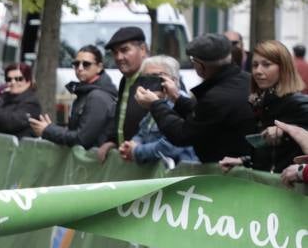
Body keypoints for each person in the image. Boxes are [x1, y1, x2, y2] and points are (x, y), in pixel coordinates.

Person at [135, 32, 258, 164]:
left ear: (201, 66)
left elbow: (182, 135)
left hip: (225, 174)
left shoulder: (216, 97)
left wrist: (155, 104)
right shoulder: (245, 80)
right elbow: (204, 115)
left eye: (193, 62)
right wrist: (176, 97)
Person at [218, 39, 308, 174]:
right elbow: (271, 154)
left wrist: (285, 133)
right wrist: (244, 161)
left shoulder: (298, 103)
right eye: (255, 65)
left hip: (292, 189)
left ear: (283, 67)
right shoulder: (263, 101)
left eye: (266, 65)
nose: (258, 71)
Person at [29, 45, 116, 150]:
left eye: (86, 64)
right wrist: (50, 129)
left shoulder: (97, 97)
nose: (80, 68)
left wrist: (48, 130)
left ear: (99, 67)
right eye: (76, 64)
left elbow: (81, 140)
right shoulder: (86, 92)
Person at [118, 56, 197, 166]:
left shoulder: (181, 105)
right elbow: (143, 132)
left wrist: (136, 151)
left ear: (173, 80)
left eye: (156, 77)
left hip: (181, 176)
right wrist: (130, 145)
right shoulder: (155, 102)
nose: (150, 82)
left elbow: (171, 147)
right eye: (146, 77)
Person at [94, 26, 149, 161]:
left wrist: (140, 147)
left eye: (124, 50)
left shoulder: (156, 77)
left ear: (142, 50)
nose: (118, 57)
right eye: (115, 52)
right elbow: (122, 116)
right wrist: (112, 141)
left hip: (149, 164)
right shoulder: (125, 80)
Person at [0, 62, 43, 138]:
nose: (13, 82)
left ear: (28, 81)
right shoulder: (2, 99)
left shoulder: (32, 104)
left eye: (19, 79)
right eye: (9, 79)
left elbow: (9, 124)